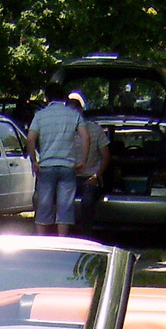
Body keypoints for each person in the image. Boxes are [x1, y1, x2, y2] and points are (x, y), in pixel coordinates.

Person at [26, 83, 82, 235]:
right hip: (67, 165)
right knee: (65, 206)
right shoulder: (73, 114)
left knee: (44, 205)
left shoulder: (40, 115)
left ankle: (42, 240)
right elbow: (86, 137)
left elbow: (30, 139)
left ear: (46, 97)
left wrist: (34, 161)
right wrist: (82, 159)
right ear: (64, 97)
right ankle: (62, 240)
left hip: (47, 165)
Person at [69, 91, 109, 230]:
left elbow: (106, 156)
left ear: (81, 110)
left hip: (90, 177)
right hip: (70, 176)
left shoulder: (95, 129)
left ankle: (86, 233)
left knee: (88, 201)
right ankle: (66, 233)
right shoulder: (65, 131)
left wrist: (96, 176)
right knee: (64, 200)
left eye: (75, 109)